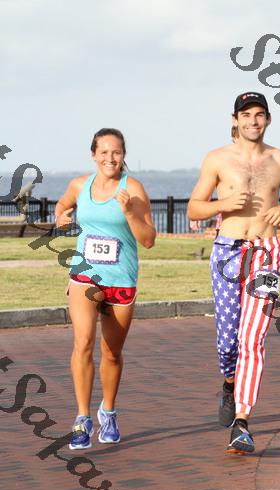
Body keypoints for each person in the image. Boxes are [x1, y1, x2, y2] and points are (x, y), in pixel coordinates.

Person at [187, 92, 280, 454]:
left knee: (253, 339)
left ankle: (242, 422)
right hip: (227, 251)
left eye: (259, 115)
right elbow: (194, 208)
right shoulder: (217, 159)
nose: (253, 121)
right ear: (235, 120)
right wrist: (223, 204)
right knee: (228, 342)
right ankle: (229, 382)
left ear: (268, 119)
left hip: (265, 253)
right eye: (246, 115)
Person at [55, 128, 156, 450]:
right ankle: (82, 418)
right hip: (85, 275)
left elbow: (148, 240)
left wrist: (129, 212)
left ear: (123, 155)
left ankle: (108, 412)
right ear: (93, 155)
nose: (110, 158)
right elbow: (62, 206)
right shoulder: (79, 185)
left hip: (121, 279)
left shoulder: (133, 189)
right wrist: (61, 218)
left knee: (111, 353)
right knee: (83, 343)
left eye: (116, 152)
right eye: (104, 152)